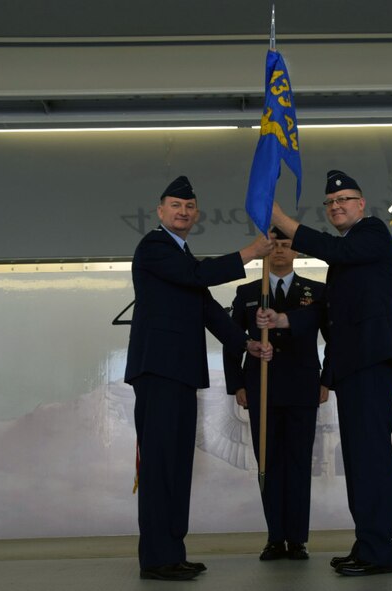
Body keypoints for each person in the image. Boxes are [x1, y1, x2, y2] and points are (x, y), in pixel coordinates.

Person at [124, 175, 274, 581]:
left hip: (181, 373)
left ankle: (172, 550)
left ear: (197, 215)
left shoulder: (183, 257)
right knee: (159, 466)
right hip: (157, 371)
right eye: (176, 205)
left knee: (176, 465)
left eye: (189, 207)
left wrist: (247, 344)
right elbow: (198, 277)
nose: (183, 212)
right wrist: (250, 252)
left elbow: (207, 309)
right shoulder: (155, 247)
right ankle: (156, 558)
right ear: (160, 211)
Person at [256, 170, 392, 577]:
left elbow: (331, 251)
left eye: (345, 200)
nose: (337, 207)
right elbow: (327, 313)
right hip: (354, 367)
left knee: (371, 458)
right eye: (330, 203)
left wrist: (283, 220)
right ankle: (368, 545)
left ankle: (378, 552)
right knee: (359, 460)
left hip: (371, 363)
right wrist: (285, 321)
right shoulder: (351, 253)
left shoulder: (373, 233)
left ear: (361, 205)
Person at [223, 227, 328, 562]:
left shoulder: (317, 291)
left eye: (286, 244)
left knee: (298, 463)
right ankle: (274, 537)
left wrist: (328, 380)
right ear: (265, 251)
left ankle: (297, 539)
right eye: (275, 245)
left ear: (297, 252)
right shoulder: (249, 291)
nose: (280, 250)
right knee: (268, 462)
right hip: (261, 388)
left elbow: (334, 337)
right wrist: (237, 383)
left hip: (301, 388)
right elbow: (232, 339)